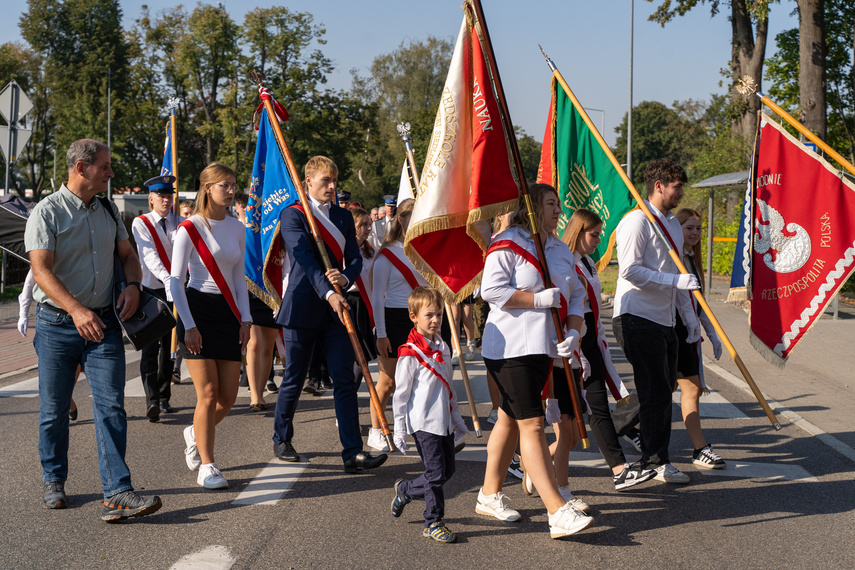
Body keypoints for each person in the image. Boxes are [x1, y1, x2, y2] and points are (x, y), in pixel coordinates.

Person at [25, 138, 162, 521]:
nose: (111, 173)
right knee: (54, 410)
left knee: (111, 407)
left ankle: (117, 491)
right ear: (81, 168)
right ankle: (53, 478)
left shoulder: (107, 209)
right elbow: (41, 270)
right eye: (105, 167)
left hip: (102, 324)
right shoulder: (47, 212)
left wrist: (133, 285)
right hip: (57, 325)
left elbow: (128, 255)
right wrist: (75, 309)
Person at [477, 183, 594, 539]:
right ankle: (556, 509)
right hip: (509, 347)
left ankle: (488, 494)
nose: (558, 210)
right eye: (550, 204)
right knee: (532, 425)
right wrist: (538, 301)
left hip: (544, 348)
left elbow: (574, 297)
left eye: (558, 204)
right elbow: (491, 290)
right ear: (530, 207)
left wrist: (575, 332)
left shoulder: (558, 248)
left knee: (509, 422)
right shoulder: (506, 243)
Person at [272, 155, 387, 473]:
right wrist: (330, 292)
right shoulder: (294, 215)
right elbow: (305, 259)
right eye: (326, 180)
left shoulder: (343, 216)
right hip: (302, 306)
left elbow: (354, 258)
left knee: (345, 379)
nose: (333, 186)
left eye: (335, 180)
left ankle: (352, 451)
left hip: (336, 308)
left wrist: (346, 280)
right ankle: (282, 438)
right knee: (294, 376)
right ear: (308, 181)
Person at [612, 158, 701, 485]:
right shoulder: (637, 222)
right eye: (676, 187)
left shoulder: (674, 225)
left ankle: (656, 458)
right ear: (658, 186)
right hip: (635, 315)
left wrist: (689, 318)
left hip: (664, 319)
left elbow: (679, 275)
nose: (681, 193)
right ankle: (653, 460)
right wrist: (675, 282)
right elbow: (630, 270)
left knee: (664, 391)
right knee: (654, 392)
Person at [560, 208, 656, 491]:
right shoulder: (566, 263)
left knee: (590, 412)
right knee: (577, 414)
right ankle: (619, 469)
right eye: (594, 234)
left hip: (590, 337)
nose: (599, 239)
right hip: (574, 338)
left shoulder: (587, 262)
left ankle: (619, 469)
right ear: (578, 232)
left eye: (600, 233)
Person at [170, 163, 252, 490]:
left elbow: (238, 278)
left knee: (229, 397)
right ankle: (208, 465)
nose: (231, 191)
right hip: (197, 308)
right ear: (207, 188)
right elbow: (175, 281)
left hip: (229, 312)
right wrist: (188, 325)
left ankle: (194, 431)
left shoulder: (237, 227)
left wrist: (245, 318)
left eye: (233, 185)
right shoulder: (189, 228)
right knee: (207, 393)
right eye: (224, 185)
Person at [390, 286, 467, 543]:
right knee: (435, 474)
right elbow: (400, 395)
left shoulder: (442, 347)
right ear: (413, 316)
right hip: (423, 422)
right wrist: (399, 428)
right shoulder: (410, 353)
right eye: (429, 315)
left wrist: (456, 419)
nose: (436, 320)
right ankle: (433, 521)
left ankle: (405, 490)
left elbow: (448, 388)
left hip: (442, 421)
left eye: (439, 315)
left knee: (448, 471)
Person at [369, 198, 426, 452]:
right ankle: (376, 430)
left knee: (419, 380)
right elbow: (376, 297)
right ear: (401, 219)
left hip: (422, 321)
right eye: (412, 215)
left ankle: (415, 429)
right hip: (393, 320)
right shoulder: (387, 255)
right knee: (388, 381)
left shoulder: (426, 249)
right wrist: (381, 333)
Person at [675, 208, 726, 469]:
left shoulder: (692, 258)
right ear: (677, 228)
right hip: (670, 328)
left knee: (690, 389)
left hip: (687, 331)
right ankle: (622, 425)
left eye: (698, 229)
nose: (695, 233)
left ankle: (699, 448)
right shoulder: (671, 257)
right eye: (689, 228)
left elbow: (699, 302)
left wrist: (712, 333)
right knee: (660, 392)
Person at [131, 175, 180, 421]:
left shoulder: (180, 222)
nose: (166, 199)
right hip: (151, 290)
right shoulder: (141, 223)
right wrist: (167, 278)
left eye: (169, 195)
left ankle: (164, 396)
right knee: (150, 347)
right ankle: (152, 400)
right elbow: (149, 256)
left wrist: (177, 282)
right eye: (161, 195)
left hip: (176, 289)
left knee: (168, 347)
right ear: (151, 199)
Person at [347, 208, 378, 382]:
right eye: (364, 224)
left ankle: (351, 388)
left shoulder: (370, 251)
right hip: (348, 303)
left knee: (362, 355)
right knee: (352, 353)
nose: (368, 228)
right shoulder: (343, 250)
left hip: (364, 304)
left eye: (369, 224)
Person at [172, 200, 196, 385]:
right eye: (184, 214)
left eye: (190, 213)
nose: (187, 217)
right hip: (176, 283)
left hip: (192, 283)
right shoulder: (178, 231)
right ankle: (176, 368)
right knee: (181, 329)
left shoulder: (195, 231)